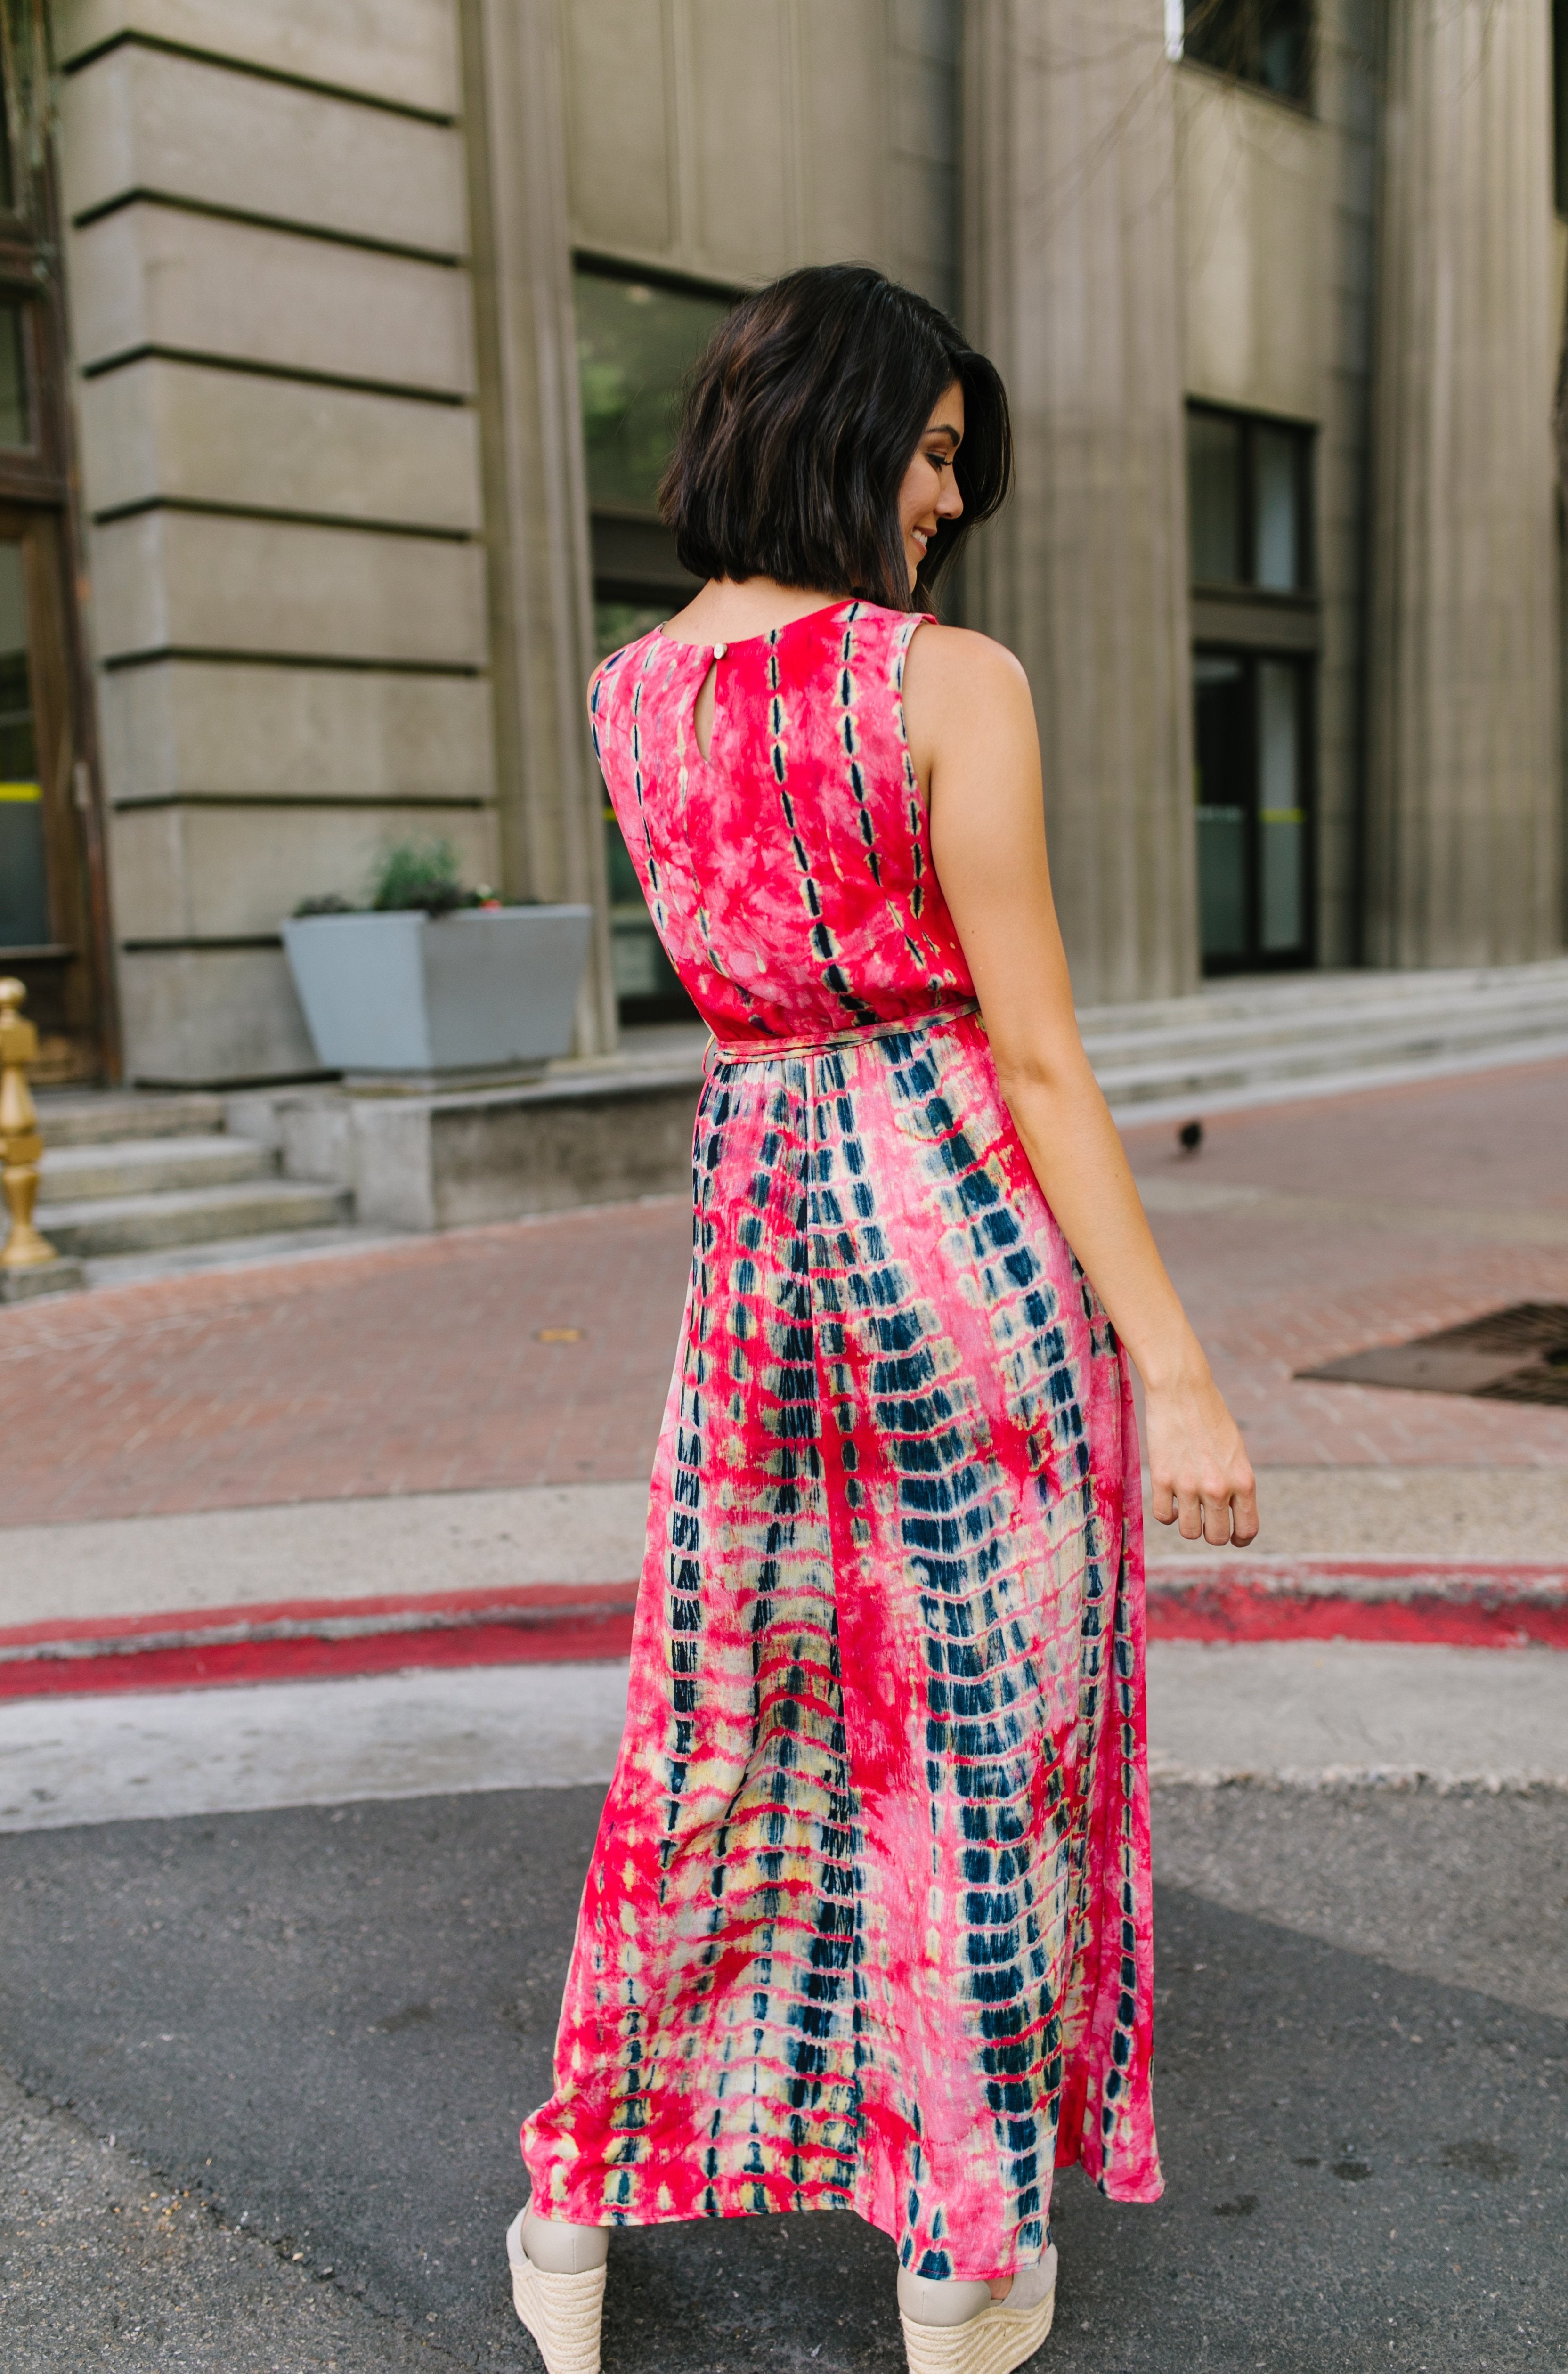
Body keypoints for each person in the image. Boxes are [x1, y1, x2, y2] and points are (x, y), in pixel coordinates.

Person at [508, 263, 1258, 2374]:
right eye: (930, 453)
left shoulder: (624, 694)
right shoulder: (949, 682)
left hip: (753, 1236)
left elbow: (743, 973)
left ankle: (571, 2214)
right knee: (978, 1730)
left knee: (712, 1724)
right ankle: (959, 2248)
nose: (944, 501)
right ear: (838, 431)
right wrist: (1179, 1366)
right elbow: (1031, 1056)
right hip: (951, 1236)